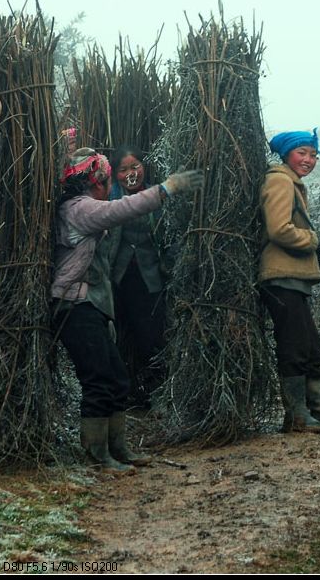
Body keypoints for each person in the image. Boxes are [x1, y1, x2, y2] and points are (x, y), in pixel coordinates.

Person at [51, 147, 203, 473]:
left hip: (89, 305)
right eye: (109, 178)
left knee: (117, 378)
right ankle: (97, 455)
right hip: (74, 306)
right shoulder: (79, 209)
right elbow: (123, 209)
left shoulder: (84, 207)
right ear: (99, 181)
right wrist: (166, 188)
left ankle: (118, 448)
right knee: (99, 379)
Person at [258, 128, 320, 434]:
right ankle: (297, 416)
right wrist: (312, 238)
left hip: (294, 277)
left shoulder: (292, 182)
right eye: (302, 153)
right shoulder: (280, 181)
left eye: (313, 154)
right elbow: (279, 229)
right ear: (287, 154)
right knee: (294, 346)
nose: (309, 160)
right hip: (281, 275)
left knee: (311, 346)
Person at [109, 145, 168, 408]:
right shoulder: (109, 197)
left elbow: (169, 237)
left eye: (135, 167)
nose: (131, 174)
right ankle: (124, 394)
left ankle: (156, 393)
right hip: (117, 279)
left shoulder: (158, 196)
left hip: (149, 279)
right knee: (119, 337)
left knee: (151, 336)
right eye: (124, 170)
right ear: (114, 174)